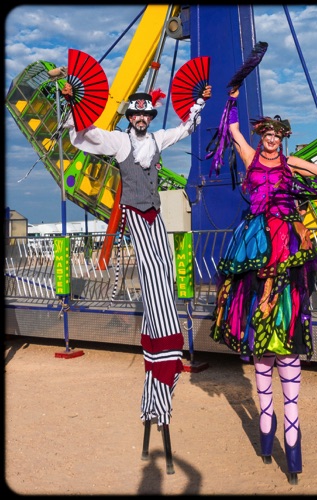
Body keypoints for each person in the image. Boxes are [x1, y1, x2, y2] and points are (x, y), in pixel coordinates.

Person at [210, 88, 317, 485]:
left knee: (290, 285)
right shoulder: (250, 156)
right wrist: (231, 97)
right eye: (269, 134)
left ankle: (289, 446)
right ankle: (266, 424)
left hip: (286, 231)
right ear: (262, 136)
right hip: (256, 233)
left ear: (283, 138)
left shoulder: (291, 162)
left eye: (278, 135)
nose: (273, 139)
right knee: (248, 286)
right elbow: (232, 130)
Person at [62, 82, 212, 429]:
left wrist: (199, 104)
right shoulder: (119, 141)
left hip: (154, 213)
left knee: (166, 266)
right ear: (130, 117)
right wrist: (74, 105)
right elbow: (87, 135)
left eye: (146, 113)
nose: (142, 118)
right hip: (134, 213)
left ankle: (166, 323)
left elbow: (182, 130)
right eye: (138, 114)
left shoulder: (157, 140)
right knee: (149, 267)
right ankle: (160, 330)